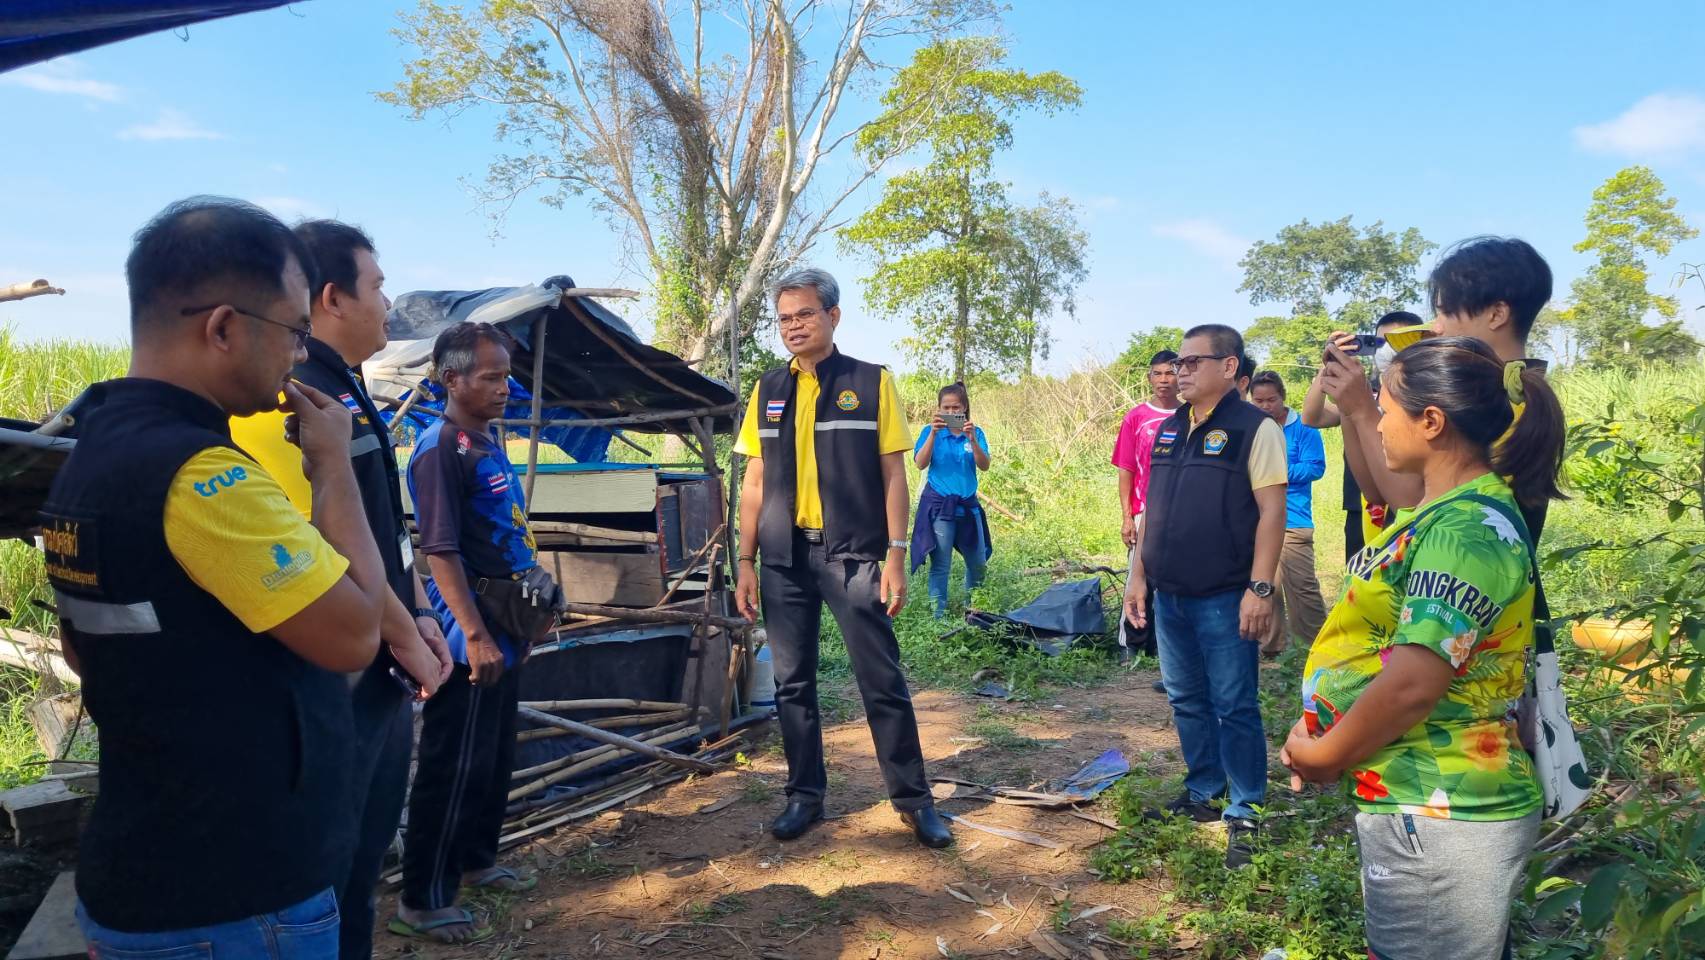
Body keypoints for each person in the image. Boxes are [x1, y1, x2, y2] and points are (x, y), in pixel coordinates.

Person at [40, 196, 391, 957]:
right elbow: (356, 636)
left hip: (150, 865)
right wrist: (332, 467)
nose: (300, 352)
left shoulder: (90, 454)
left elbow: (82, 648)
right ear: (224, 327)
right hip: (235, 899)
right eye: (294, 330)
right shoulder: (205, 479)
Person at [1283, 336, 1565, 960]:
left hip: (1442, 810)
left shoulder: (1466, 531)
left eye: (1384, 410)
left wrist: (1325, 753)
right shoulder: (1441, 510)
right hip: (1419, 800)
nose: (1378, 423)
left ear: (1431, 421)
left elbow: (1414, 683)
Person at [228, 219, 453, 960]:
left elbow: (381, 532)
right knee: (328, 866)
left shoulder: (345, 389)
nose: (387, 304)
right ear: (331, 297)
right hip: (336, 673)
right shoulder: (287, 403)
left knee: (360, 861)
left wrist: (416, 613)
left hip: (379, 660)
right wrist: (404, 634)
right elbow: (315, 552)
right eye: (378, 287)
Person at [733, 267, 952, 849]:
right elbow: (754, 480)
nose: (793, 326)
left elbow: (893, 474)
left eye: (804, 314)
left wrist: (897, 554)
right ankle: (804, 796)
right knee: (791, 683)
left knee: (880, 677)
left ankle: (914, 801)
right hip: (783, 558)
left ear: (833, 315)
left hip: (852, 557)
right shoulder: (768, 389)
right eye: (784, 318)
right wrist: (745, 560)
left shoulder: (871, 382)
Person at [393, 322, 564, 943]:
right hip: (470, 630)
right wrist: (475, 634)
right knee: (453, 760)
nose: (504, 386)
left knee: (492, 753)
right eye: (491, 377)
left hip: (505, 621)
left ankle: (475, 860)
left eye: (506, 375)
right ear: (451, 379)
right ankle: (422, 899)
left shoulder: (484, 441)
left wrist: (526, 620)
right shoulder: (439, 448)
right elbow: (439, 549)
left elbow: (504, 533)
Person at [1124, 324, 1287, 869]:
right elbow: (1152, 510)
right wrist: (1138, 576)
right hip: (1169, 594)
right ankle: (1204, 791)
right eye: (1180, 362)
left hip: (1225, 595)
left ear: (1230, 366)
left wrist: (1260, 589)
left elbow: (1272, 512)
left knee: (1234, 703)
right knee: (1185, 697)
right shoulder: (1170, 428)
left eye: (1194, 361)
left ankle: (1246, 807)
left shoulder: (1254, 428)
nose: (1182, 371)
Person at [1301, 311, 1421, 560]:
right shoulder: (1366, 394)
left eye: (1396, 342)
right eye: (1380, 343)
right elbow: (1311, 417)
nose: (1387, 351)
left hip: (1410, 506)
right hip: (1363, 503)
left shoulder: (1427, 398)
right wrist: (1329, 366)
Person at [1248, 371, 1326, 657]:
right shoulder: (1251, 427)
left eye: (1271, 400)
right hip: (1257, 520)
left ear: (1283, 397)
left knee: (1303, 588)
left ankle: (1317, 648)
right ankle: (1271, 648)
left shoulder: (1304, 426)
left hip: (1294, 519)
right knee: (1266, 585)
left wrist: (1274, 471)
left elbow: (1315, 467)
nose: (1265, 406)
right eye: (1258, 401)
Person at [1111, 349, 1179, 666]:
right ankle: (1131, 644)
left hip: (1183, 512)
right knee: (1138, 577)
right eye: (1158, 373)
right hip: (1144, 511)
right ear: (1150, 378)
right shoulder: (1136, 418)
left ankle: (1166, 646)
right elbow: (1126, 469)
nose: (1164, 380)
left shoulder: (1191, 414)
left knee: (1174, 581)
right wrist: (1127, 517)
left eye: (1170, 373)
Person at [909, 381, 993, 617]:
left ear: (964, 407)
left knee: (978, 563)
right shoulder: (930, 432)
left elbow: (984, 465)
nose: (951, 412)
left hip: (968, 506)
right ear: (939, 409)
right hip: (940, 507)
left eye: (956, 407)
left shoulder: (976, 433)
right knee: (941, 565)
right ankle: (938, 617)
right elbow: (920, 463)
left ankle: (974, 612)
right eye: (946, 408)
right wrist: (933, 434)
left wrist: (972, 439)